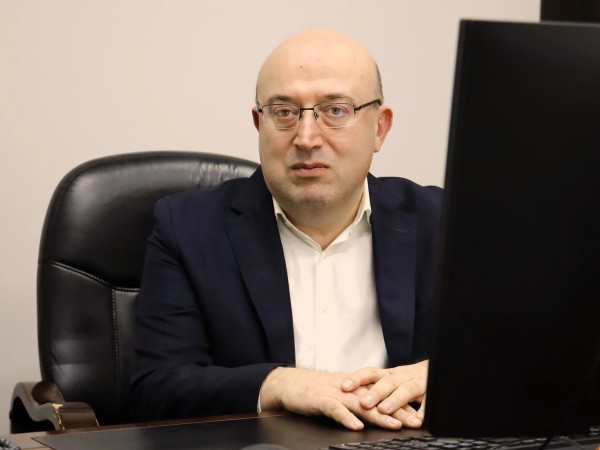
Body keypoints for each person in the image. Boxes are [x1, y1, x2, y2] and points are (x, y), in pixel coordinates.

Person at [130, 28, 442, 431]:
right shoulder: (188, 229)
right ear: (259, 123)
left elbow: (514, 354)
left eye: (335, 110)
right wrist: (276, 384)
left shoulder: (442, 222)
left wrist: (444, 374)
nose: (307, 138)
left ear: (380, 128)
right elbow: (156, 390)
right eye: (284, 112)